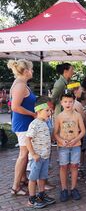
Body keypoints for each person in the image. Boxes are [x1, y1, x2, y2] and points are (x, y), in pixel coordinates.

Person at [7, 59, 36, 196]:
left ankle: (23, 179)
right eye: (31, 69)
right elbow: (15, 107)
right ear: (25, 71)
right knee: (23, 155)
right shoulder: (20, 85)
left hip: (25, 123)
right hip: (23, 124)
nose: (33, 71)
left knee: (24, 154)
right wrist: (33, 114)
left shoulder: (22, 83)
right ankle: (15, 186)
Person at [54, 92, 86, 202]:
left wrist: (75, 140)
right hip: (63, 146)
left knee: (74, 166)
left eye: (70, 102)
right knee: (63, 167)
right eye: (66, 101)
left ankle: (73, 188)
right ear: (61, 103)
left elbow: (83, 131)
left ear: (74, 102)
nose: (68, 104)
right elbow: (55, 133)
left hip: (76, 146)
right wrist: (61, 141)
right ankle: (64, 189)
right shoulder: (59, 116)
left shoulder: (77, 115)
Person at [25, 97, 56, 208]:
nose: (50, 112)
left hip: (45, 157)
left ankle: (41, 195)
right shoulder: (34, 124)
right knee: (33, 178)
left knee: (42, 177)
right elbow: (27, 139)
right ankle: (32, 199)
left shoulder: (45, 123)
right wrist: (33, 154)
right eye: (47, 110)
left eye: (50, 110)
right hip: (37, 158)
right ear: (38, 111)